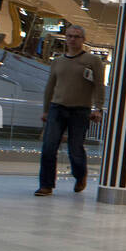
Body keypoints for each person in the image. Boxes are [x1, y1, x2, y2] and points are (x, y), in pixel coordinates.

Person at [35, 24, 103, 196]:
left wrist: (98, 108)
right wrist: (45, 109)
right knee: (49, 147)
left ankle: (80, 175)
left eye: (76, 36)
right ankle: (46, 185)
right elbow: (50, 87)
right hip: (57, 108)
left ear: (83, 40)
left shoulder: (92, 61)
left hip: (80, 110)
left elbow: (98, 86)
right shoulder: (58, 61)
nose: (72, 39)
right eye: (70, 36)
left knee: (75, 148)